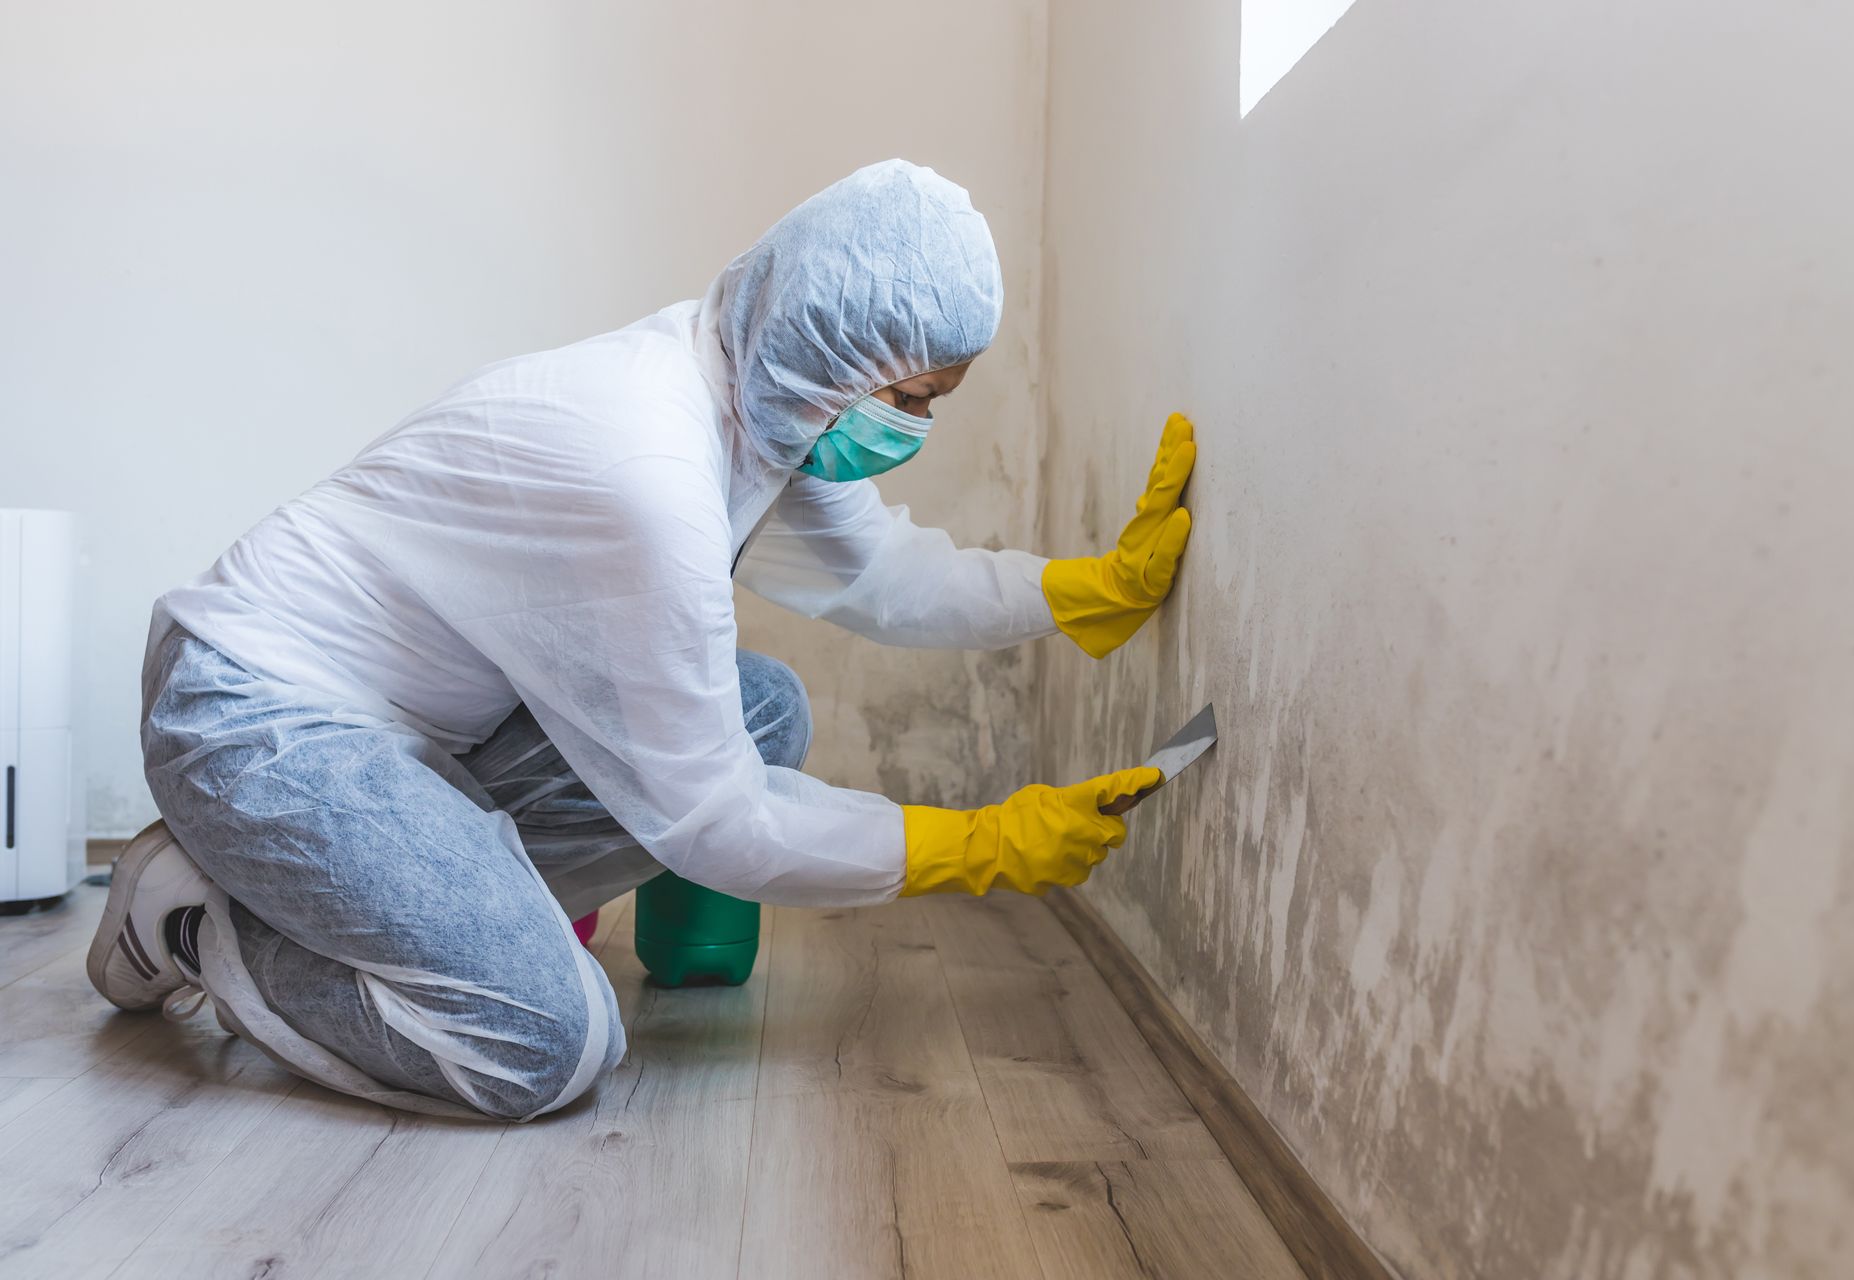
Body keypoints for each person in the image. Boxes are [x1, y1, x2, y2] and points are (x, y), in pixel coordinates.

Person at [85, 160, 1196, 1120]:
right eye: (909, 394)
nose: (912, 427)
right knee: (545, 1041)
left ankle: (388, 899)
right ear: (831, 338)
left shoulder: (760, 392)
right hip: (255, 716)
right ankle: (197, 918)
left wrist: (1081, 593)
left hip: (402, 732)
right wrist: (982, 844)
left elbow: (879, 574)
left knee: (765, 712)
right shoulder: (647, 467)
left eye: (933, 400)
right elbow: (716, 822)